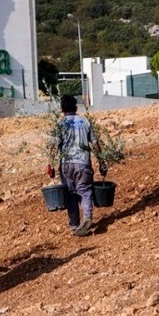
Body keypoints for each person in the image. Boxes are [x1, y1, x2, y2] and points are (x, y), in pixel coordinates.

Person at [52, 96, 102, 237]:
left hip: (66, 164)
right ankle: (87, 217)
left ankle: (74, 225)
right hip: (83, 163)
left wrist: (50, 163)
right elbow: (95, 143)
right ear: (75, 107)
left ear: (62, 108)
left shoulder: (60, 123)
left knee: (71, 194)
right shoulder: (85, 121)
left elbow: (54, 145)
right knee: (85, 191)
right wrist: (102, 159)